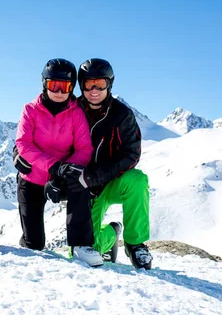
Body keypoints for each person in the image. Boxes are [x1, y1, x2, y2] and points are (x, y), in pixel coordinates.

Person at [15, 58, 153, 270]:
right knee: (90, 249)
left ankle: (135, 244)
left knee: (138, 180)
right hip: (84, 185)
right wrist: (18, 153)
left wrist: (94, 176)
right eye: (88, 85)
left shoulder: (121, 115)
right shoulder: (71, 106)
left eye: (100, 84)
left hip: (104, 180)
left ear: (110, 83)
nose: (94, 90)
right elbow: (31, 139)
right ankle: (111, 234)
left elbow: (131, 154)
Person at [15, 58, 103, 267]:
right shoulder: (30, 110)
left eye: (65, 86)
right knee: (34, 245)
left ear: (72, 87)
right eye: (54, 85)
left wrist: (62, 173)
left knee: (79, 182)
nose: (59, 91)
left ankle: (81, 245)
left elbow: (84, 149)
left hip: (62, 179)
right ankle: (28, 239)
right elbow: (23, 144)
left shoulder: (76, 113)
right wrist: (53, 167)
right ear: (44, 84)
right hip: (33, 178)